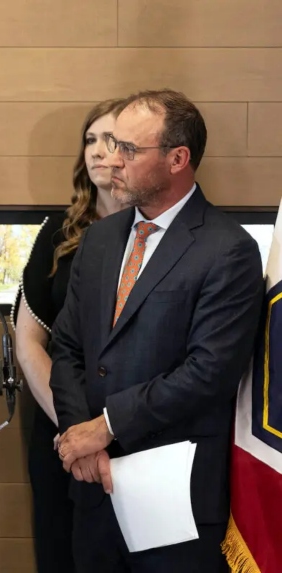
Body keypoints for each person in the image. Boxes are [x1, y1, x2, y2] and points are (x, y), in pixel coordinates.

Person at [49, 89, 264, 572]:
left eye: (128, 148)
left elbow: (209, 373)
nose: (111, 160)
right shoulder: (99, 239)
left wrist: (105, 427)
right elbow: (67, 348)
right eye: (111, 144)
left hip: (173, 501)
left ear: (177, 159)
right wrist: (81, 437)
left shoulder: (228, 250)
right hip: (92, 490)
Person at [11, 98, 125, 573]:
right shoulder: (58, 232)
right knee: (63, 553)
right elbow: (28, 342)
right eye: (90, 140)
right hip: (62, 429)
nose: (96, 151)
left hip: (142, 428)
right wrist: (76, 428)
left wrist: (108, 429)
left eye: (111, 140)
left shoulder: (166, 234)